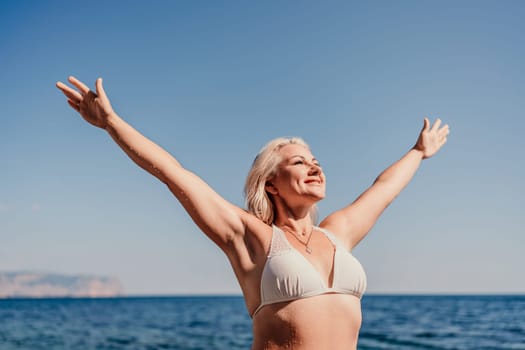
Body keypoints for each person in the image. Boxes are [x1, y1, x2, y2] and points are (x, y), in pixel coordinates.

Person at [56, 76, 449, 350]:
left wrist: (418, 152)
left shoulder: (338, 233)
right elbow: (173, 173)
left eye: (316, 161)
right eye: (299, 162)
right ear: (271, 184)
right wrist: (111, 123)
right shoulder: (253, 238)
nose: (315, 167)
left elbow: (384, 189)